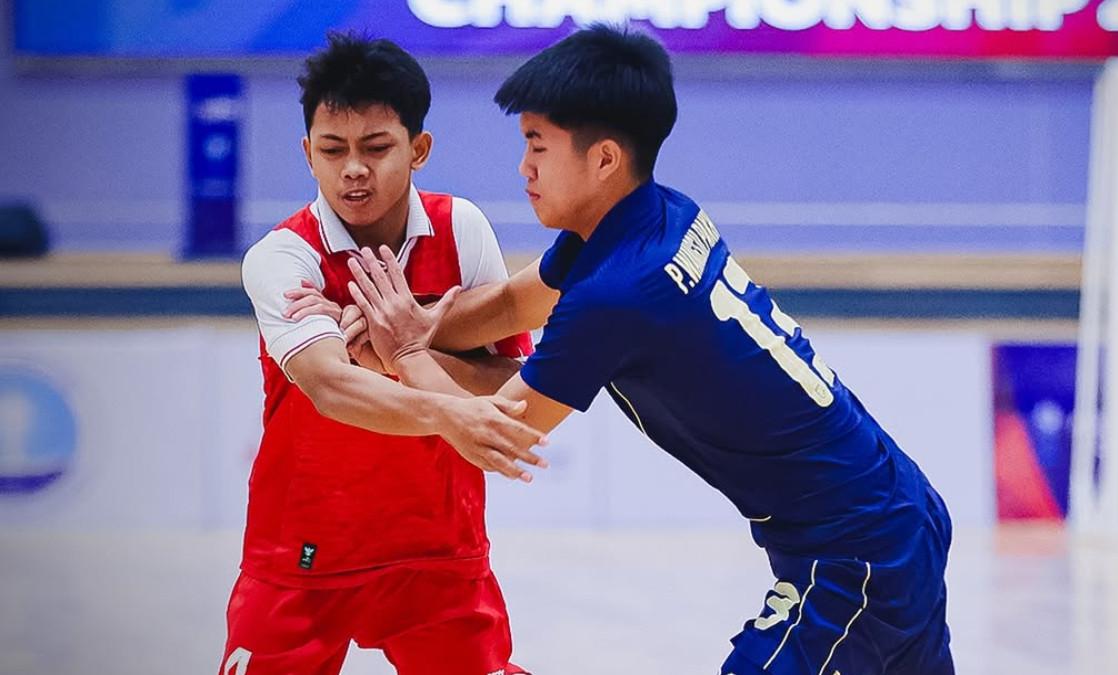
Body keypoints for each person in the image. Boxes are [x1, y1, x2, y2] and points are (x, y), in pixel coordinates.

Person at [341, 25, 954, 675]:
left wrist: (404, 350)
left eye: (537, 146)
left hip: (853, 557)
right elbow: (511, 307)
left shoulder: (619, 294)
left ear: (604, 159)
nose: (524, 167)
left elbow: (499, 430)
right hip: (895, 510)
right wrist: (414, 325)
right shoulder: (656, 217)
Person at [220, 32, 540, 675]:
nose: (353, 170)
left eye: (376, 148)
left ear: (419, 150)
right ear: (308, 153)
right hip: (302, 550)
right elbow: (331, 388)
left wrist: (399, 350)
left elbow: (510, 381)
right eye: (332, 150)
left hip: (438, 549)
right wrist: (444, 405)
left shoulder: (461, 229)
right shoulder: (283, 257)